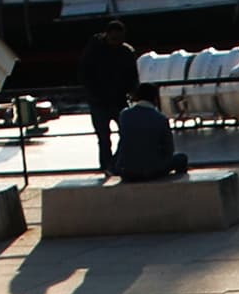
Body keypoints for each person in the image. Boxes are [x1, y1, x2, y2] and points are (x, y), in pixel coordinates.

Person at [78, 23, 139, 164]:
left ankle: (113, 162)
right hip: (102, 101)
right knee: (106, 137)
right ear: (107, 35)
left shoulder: (124, 52)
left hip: (112, 100)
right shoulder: (97, 50)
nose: (116, 43)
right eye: (114, 39)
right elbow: (84, 74)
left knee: (119, 135)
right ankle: (111, 163)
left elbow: (133, 76)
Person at [110, 85, 189, 182]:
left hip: (127, 171)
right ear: (155, 99)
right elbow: (169, 150)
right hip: (152, 171)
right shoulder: (160, 118)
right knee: (181, 158)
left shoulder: (125, 115)